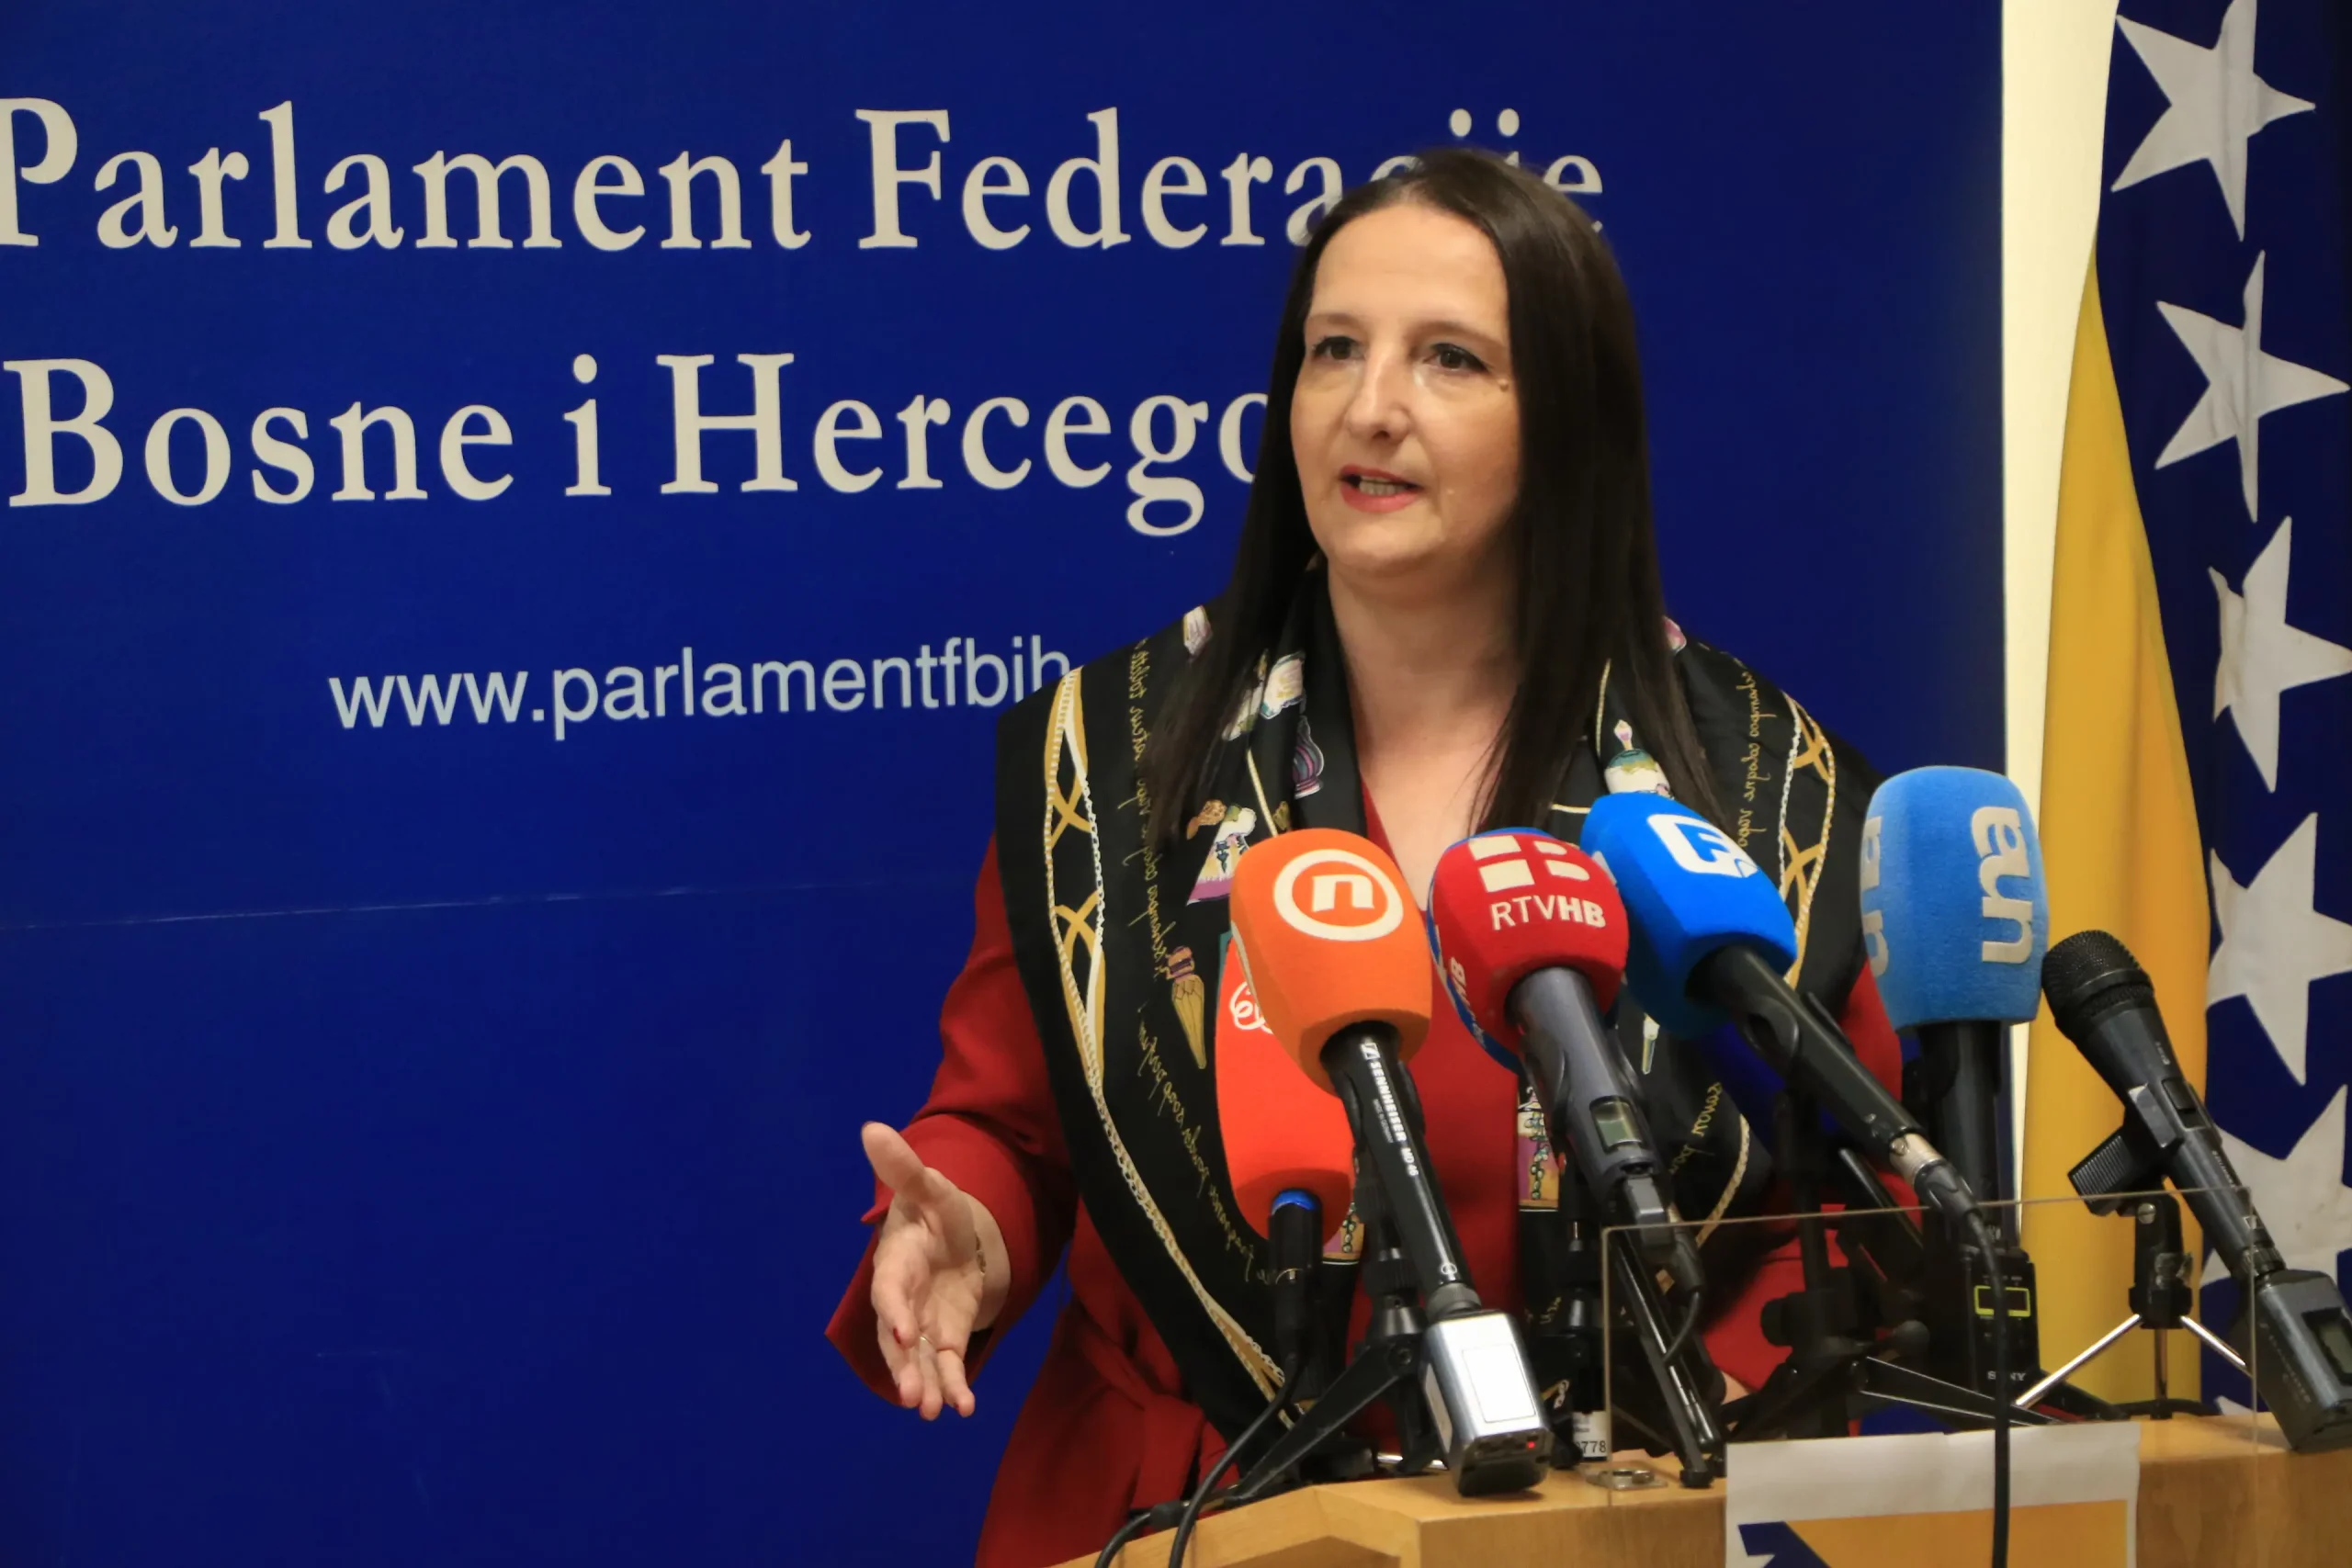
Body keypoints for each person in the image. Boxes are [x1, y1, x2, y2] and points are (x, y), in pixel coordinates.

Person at [827, 148, 1902, 1568]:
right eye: (1334, 349)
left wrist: (1683, 1450)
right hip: (1195, 1512)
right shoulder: (1115, 755)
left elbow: (1850, 1204)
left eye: (1450, 359)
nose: (1371, 405)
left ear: (1565, 418)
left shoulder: (1758, 783)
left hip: (1620, 1516)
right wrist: (971, 1230)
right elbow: (1015, 1130)